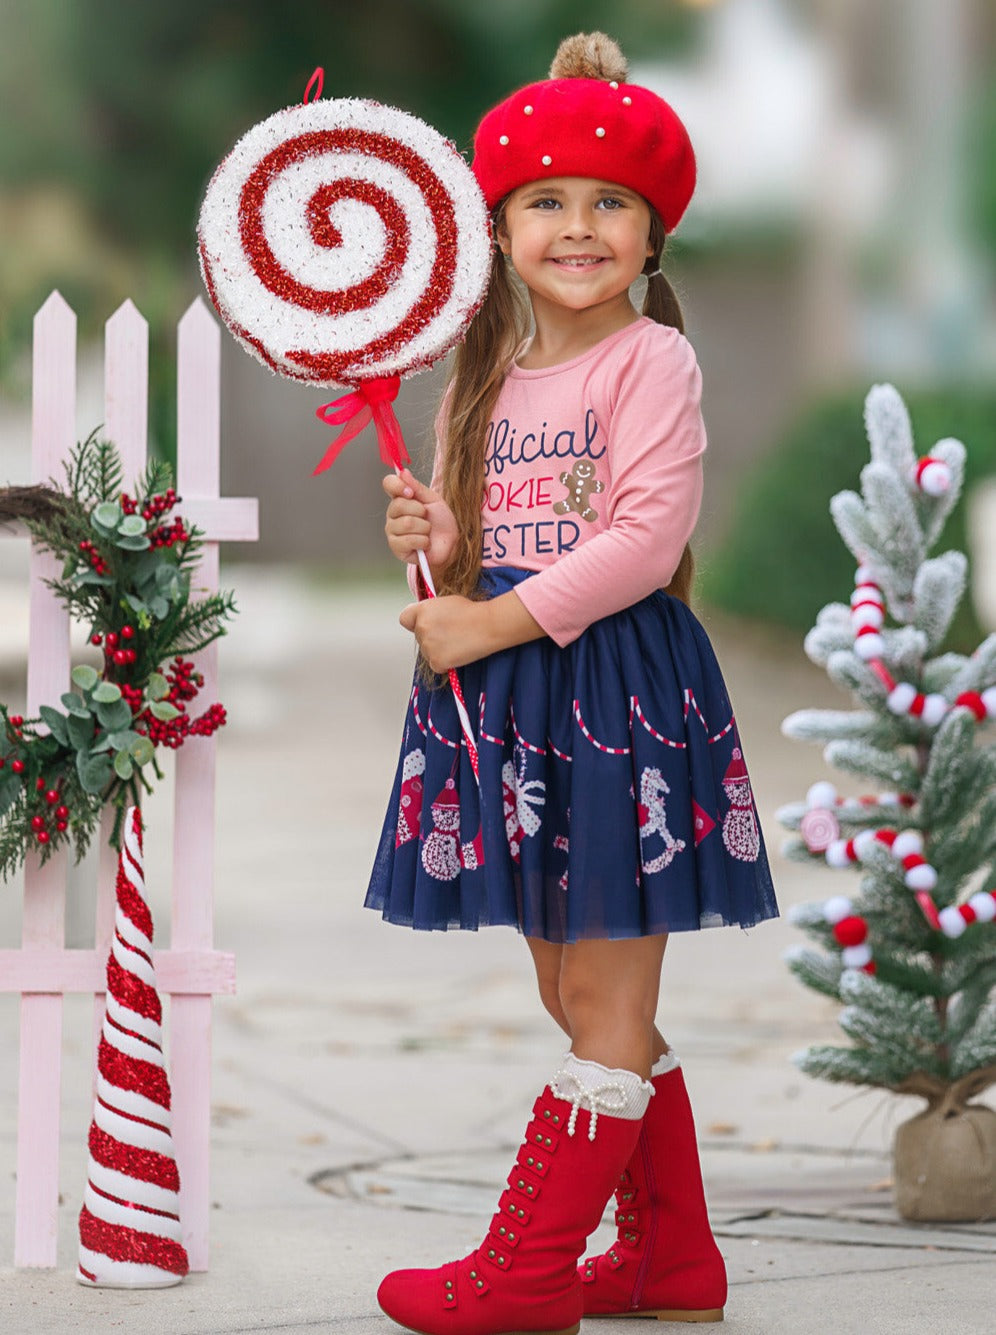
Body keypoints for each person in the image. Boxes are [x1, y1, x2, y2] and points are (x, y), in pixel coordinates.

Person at [367, 31, 778, 1335]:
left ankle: (528, 1272)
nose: (580, 225)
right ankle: (671, 1264)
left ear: (655, 241)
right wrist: (437, 547)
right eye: (547, 201)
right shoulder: (479, 380)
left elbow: (642, 541)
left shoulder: (650, 361)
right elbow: (474, 550)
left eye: (612, 204)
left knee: (608, 998)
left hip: (617, 703)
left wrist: (484, 629)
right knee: (570, 987)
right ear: (501, 230)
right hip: (517, 711)